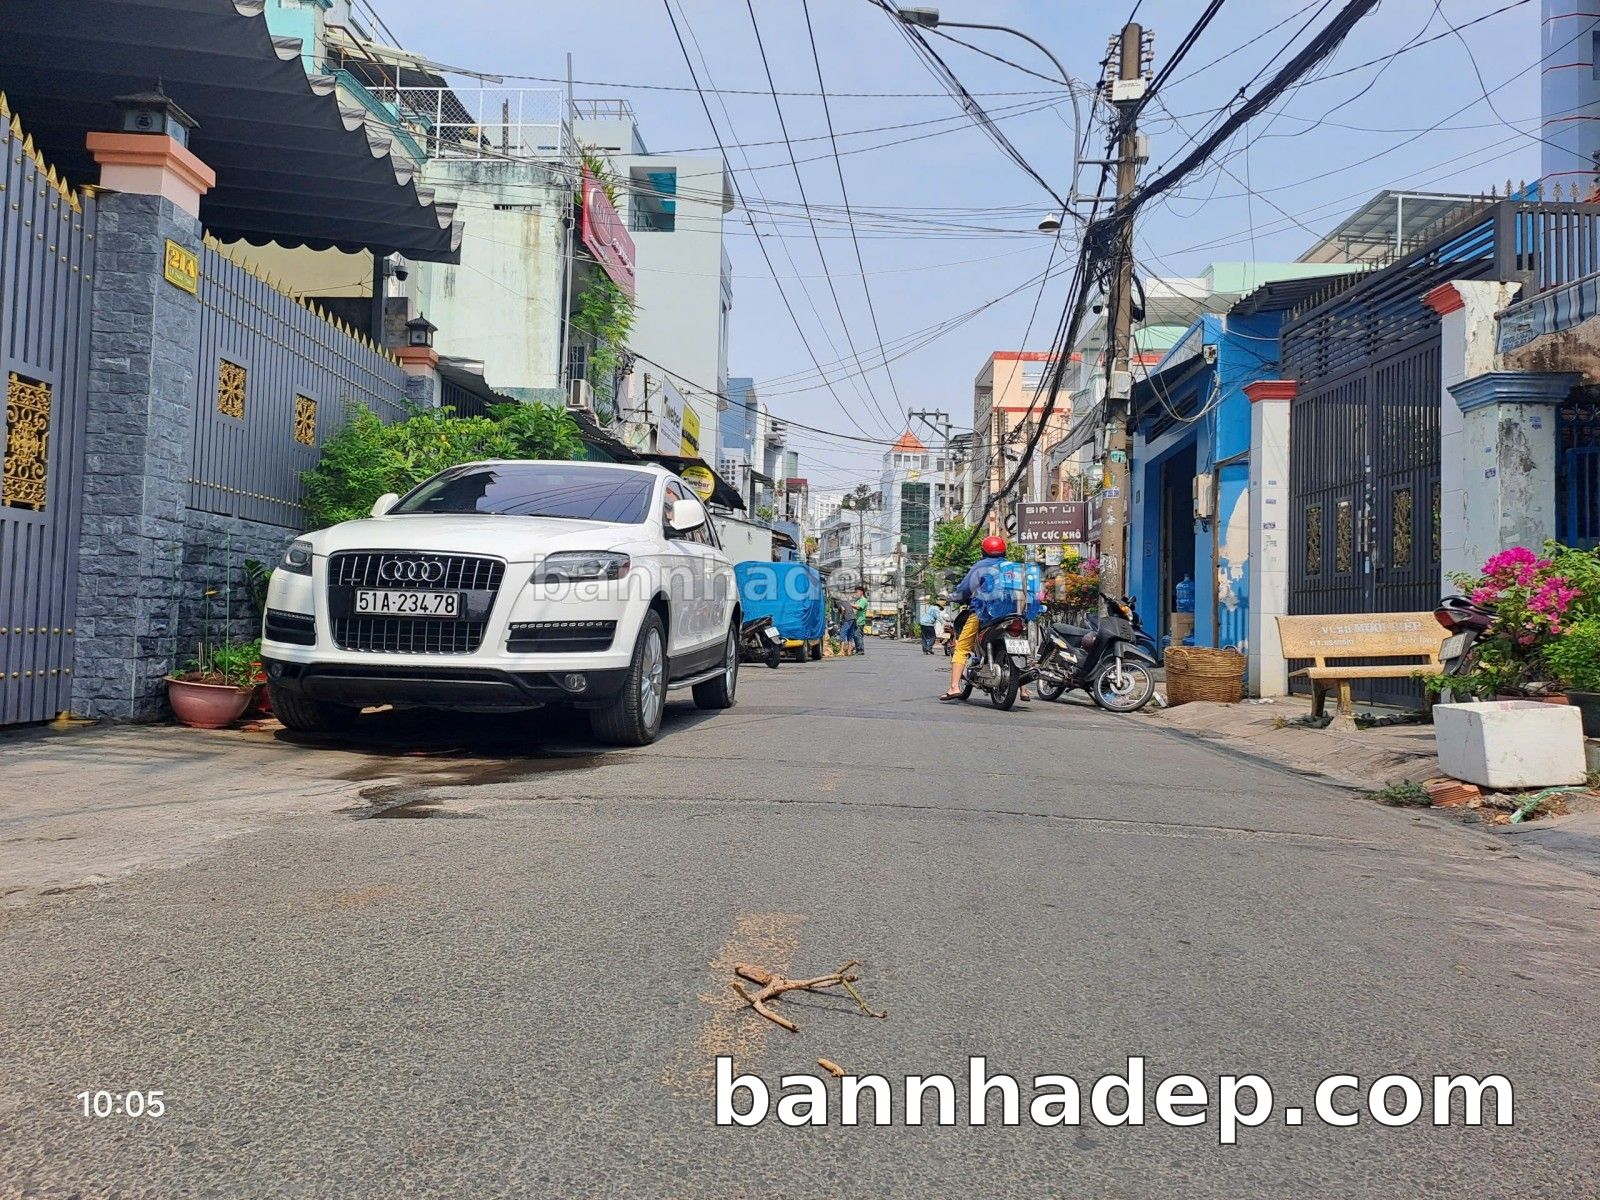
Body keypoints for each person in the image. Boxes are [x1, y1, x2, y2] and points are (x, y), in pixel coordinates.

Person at [940, 535, 1009, 702]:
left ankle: (954, 687)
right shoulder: (1012, 567)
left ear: (983, 551)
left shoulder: (981, 566)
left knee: (962, 647)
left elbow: (964, 589)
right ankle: (1024, 690)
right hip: (1013, 613)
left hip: (984, 613)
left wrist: (954, 597)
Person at [851, 587, 869, 655]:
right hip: (856, 620)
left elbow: (859, 607)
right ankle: (857, 650)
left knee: (857, 635)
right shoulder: (858, 600)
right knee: (855, 636)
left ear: (861, 592)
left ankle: (860, 650)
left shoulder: (863, 600)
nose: (856, 594)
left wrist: (850, 604)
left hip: (860, 621)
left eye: (857, 592)